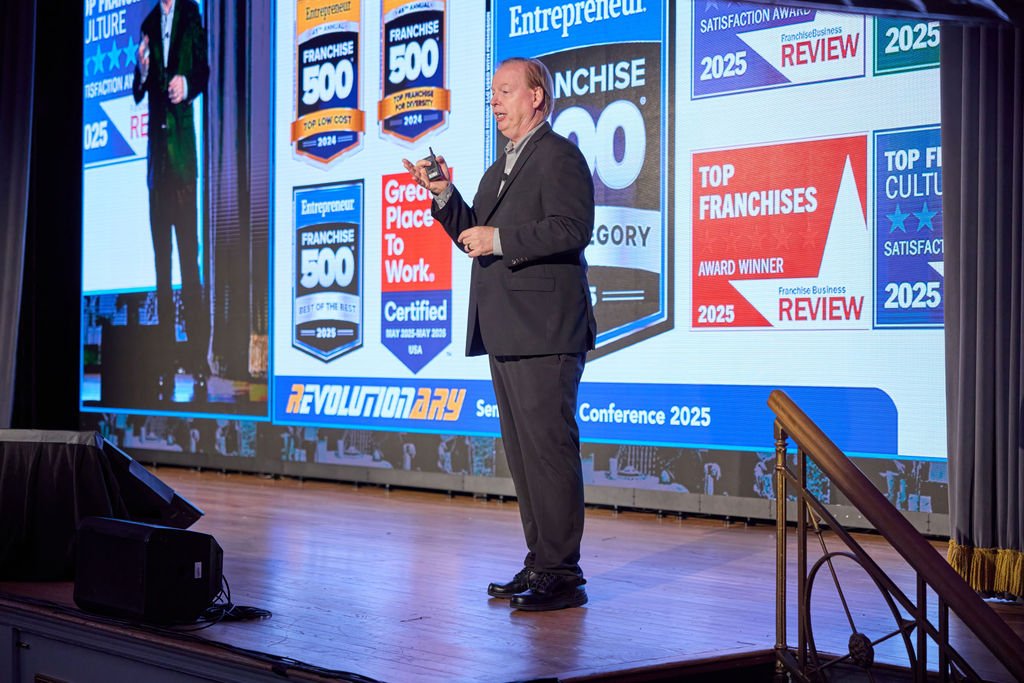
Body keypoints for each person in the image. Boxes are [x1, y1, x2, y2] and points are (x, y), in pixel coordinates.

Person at [403, 57, 596, 611]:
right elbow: (471, 235)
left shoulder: (560, 155)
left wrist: (502, 239)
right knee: (524, 456)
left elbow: (572, 228)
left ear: (538, 98)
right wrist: (442, 194)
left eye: (506, 90)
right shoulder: (498, 169)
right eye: (493, 92)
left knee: (549, 453)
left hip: (546, 331)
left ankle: (563, 573)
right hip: (508, 330)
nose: (495, 100)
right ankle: (540, 563)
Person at [133, 0, 210, 402]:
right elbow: (137, 90)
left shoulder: (191, 15)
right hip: (157, 165)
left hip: (183, 163)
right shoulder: (148, 22)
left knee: (188, 269)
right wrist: (143, 70)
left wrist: (186, 83)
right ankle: (164, 366)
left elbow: (203, 71)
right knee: (162, 272)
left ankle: (198, 363)